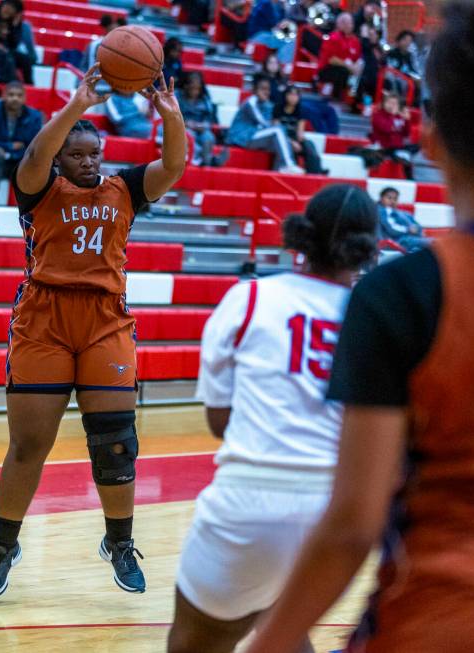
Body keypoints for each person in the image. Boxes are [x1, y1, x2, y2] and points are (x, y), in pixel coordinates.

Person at [246, 2, 474, 651]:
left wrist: (272, 641)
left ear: (430, 140)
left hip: (444, 614)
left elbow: (352, 523)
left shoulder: (400, 292)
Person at [0, 65, 186, 600]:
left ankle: (119, 542)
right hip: (43, 321)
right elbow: (31, 159)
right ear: (61, 161)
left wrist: (171, 119)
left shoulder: (125, 189)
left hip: (104, 322)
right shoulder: (38, 188)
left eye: (95, 153)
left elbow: (174, 165)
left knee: (116, 444)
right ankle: (3, 548)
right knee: (29, 444)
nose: (89, 160)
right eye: (78, 154)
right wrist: (76, 107)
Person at [167, 184, 379, 653]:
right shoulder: (378, 315)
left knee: (194, 643)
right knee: (282, 624)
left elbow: (220, 422)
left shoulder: (250, 299)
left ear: (302, 235)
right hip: (339, 512)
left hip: (251, 501)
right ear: (369, 247)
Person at [226, 73, 304, 174]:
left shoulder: (268, 105)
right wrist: (286, 137)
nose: (266, 92)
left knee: (282, 142)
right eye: (262, 89)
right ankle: (289, 164)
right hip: (241, 137)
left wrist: (288, 140)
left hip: (255, 136)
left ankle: (277, 173)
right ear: (255, 90)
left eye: (268, 89)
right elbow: (263, 123)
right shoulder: (251, 102)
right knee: (278, 130)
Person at [176, 72, 226, 167]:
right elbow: (172, 115)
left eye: (197, 88)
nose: (195, 91)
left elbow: (210, 119)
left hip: (199, 127)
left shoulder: (205, 100)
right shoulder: (177, 96)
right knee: (190, 135)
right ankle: (197, 160)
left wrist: (203, 126)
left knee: (208, 136)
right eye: (192, 87)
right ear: (186, 85)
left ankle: (208, 160)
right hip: (182, 126)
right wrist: (185, 123)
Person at [273, 85, 324, 174]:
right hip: (280, 138)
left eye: (296, 95)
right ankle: (292, 171)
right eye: (291, 94)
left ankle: (315, 172)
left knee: (309, 145)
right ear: (285, 95)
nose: (293, 97)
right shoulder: (277, 108)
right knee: (290, 148)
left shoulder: (301, 110)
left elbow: (300, 132)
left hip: (294, 137)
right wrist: (291, 142)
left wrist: (300, 142)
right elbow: (276, 128)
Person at [371, 92, 419, 179]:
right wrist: (392, 116)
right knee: (402, 154)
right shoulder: (377, 115)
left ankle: (402, 156)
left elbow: (406, 134)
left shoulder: (399, 117)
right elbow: (385, 128)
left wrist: (407, 120)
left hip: (398, 146)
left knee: (417, 145)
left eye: (394, 104)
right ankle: (402, 158)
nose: (391, 106)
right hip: (384, 146)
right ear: (383, 103)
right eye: (389, 103)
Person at [317, 13, 363, 100]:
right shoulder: (333, 37)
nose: (350, 26)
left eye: (351, 23)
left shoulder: (355, 41)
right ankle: (334, 98)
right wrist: (349, 67)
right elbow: (331, 59)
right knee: (342, 72)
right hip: (327, 69)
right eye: (348, 23)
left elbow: (358, 58)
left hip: (348, 69)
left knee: (363, 78)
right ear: (340, 24)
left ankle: (355, 105)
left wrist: (356, 68)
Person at [82, 15, 127, 95]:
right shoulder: (111, 45)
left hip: (92, 86)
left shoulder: (92, 44)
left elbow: (83, 66)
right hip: (103, 88)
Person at [377, 187, 429, 252]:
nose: (392, 201)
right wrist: (408, 229)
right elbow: (392, 229)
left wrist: (416, 230)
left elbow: (419, 227)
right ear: (381, 199)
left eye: (395, 199)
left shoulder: (405, 214)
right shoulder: (382, 211)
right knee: (435, 243)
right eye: (389, 198)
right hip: (398, 242)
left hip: (410, 240)